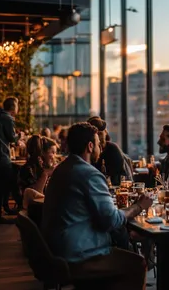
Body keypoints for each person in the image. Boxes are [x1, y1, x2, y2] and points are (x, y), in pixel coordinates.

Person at [42, 122, 152, 289]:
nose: (101, 148)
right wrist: (139, 206)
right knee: (138, 264)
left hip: (56, 250)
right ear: (90, 146)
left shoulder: (62, 169)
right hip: (79, 255)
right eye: (99, 145)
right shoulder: (89, 174)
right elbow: (112, 220)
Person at [0, 97, 24, 223]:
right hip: (3, 157)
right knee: (10, 181)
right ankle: (16, 209)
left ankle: (3, 209)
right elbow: (11, 137)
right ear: (14, 107)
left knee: (1, 184)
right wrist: (20, 136)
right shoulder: (8, 118)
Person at [88, 116, 133, 185]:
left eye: (100, 134)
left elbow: (117, 180)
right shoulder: (87, 154)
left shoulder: (113, 150)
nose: (98, 139)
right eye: (96, 135)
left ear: (105, 133)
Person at [19, 135, 58, 206]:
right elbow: (34, 198)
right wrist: (46, 174)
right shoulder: (29, 169)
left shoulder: (44, 167)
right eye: (52, 152)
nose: (54, 156)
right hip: (34, 209)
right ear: (42, 152)